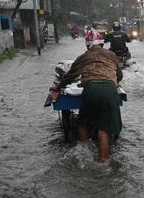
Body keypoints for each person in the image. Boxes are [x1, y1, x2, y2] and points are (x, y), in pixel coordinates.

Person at [50, 32, 123, 161]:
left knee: (83, 123)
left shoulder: (83, 57)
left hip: (91, 89)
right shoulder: (111, 55)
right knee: (104, 129)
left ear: (87, 45)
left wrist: (57, 88)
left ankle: (86, 152)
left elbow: (69, 76)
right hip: (110, 90)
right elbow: (120, 76)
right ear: (101, 43)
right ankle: (104, 160)